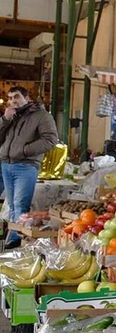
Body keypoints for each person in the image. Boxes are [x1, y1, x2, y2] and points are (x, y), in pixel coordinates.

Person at [0, 86, 58, 248]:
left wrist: (24, 150)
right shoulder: (10, 116)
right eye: (10, 98)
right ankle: (13, 240)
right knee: (12, 205)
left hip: (26, 166)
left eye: (16, 97)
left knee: (20, 205)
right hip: (7, 165)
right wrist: (4, 120)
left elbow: (50, 140)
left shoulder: (41, 116)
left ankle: (17, 241)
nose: (13, 101)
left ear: (27, 98)